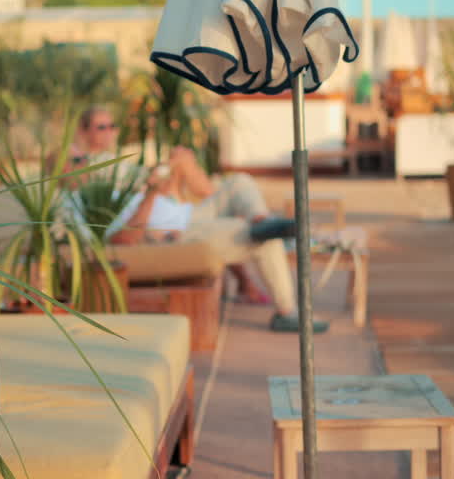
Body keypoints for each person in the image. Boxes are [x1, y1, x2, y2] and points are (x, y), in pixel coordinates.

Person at [81, 108, 323, 333]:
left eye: (112, 126)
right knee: (260, 236)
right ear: (84, 132)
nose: (110, 132)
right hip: (174, 231)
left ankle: (263, 220)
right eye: (101, 127)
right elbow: (125, 237)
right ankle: (287, 311)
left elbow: (148, 193)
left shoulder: (118, 167)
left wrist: (162, 180)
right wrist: (153, 192)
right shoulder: (87, 180)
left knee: (240, 182)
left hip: (184, 212)